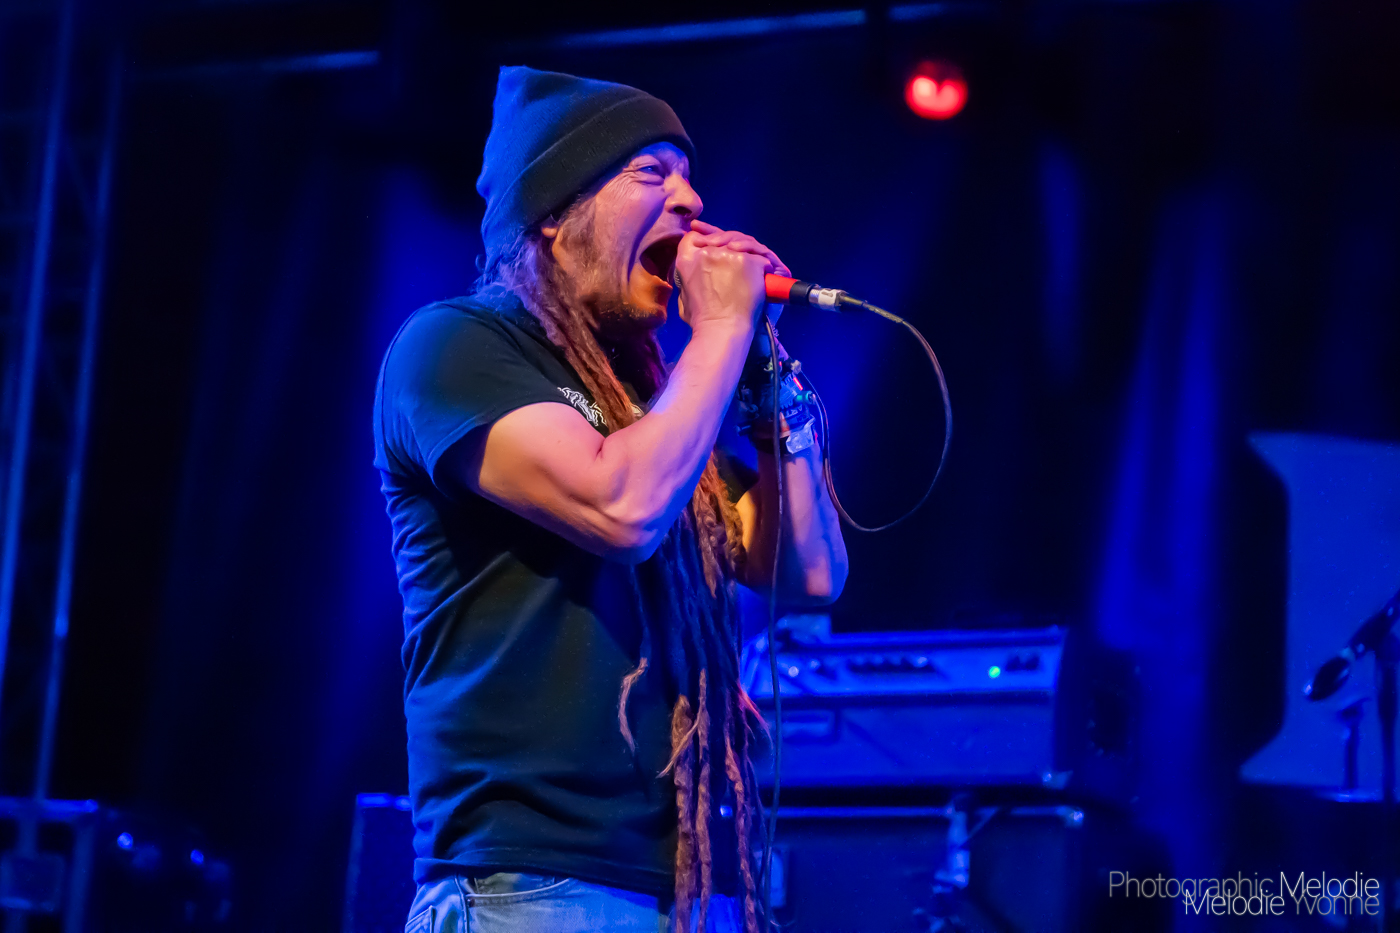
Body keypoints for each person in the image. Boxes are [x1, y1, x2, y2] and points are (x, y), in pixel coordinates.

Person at [373, 65, 848, 933]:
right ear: (555, 213)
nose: (692, 202)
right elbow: (621, 508)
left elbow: (807, 572)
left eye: (690, 177)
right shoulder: (455, 345)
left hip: (686, 888)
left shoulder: (651, 407)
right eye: (651, 172)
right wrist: (721, 328)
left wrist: (768, 380)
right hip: (533, 883)